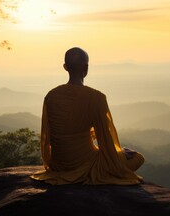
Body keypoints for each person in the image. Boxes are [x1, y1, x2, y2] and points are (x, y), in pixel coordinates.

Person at [31, 47, 144, 185]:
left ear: (65, 67)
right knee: (136, 157)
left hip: (58, 164)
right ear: (86, 67)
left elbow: (46, 135)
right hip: (86, 164)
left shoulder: (51, 96)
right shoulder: (96, 98)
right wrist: (119, 156)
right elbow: (106, 140)